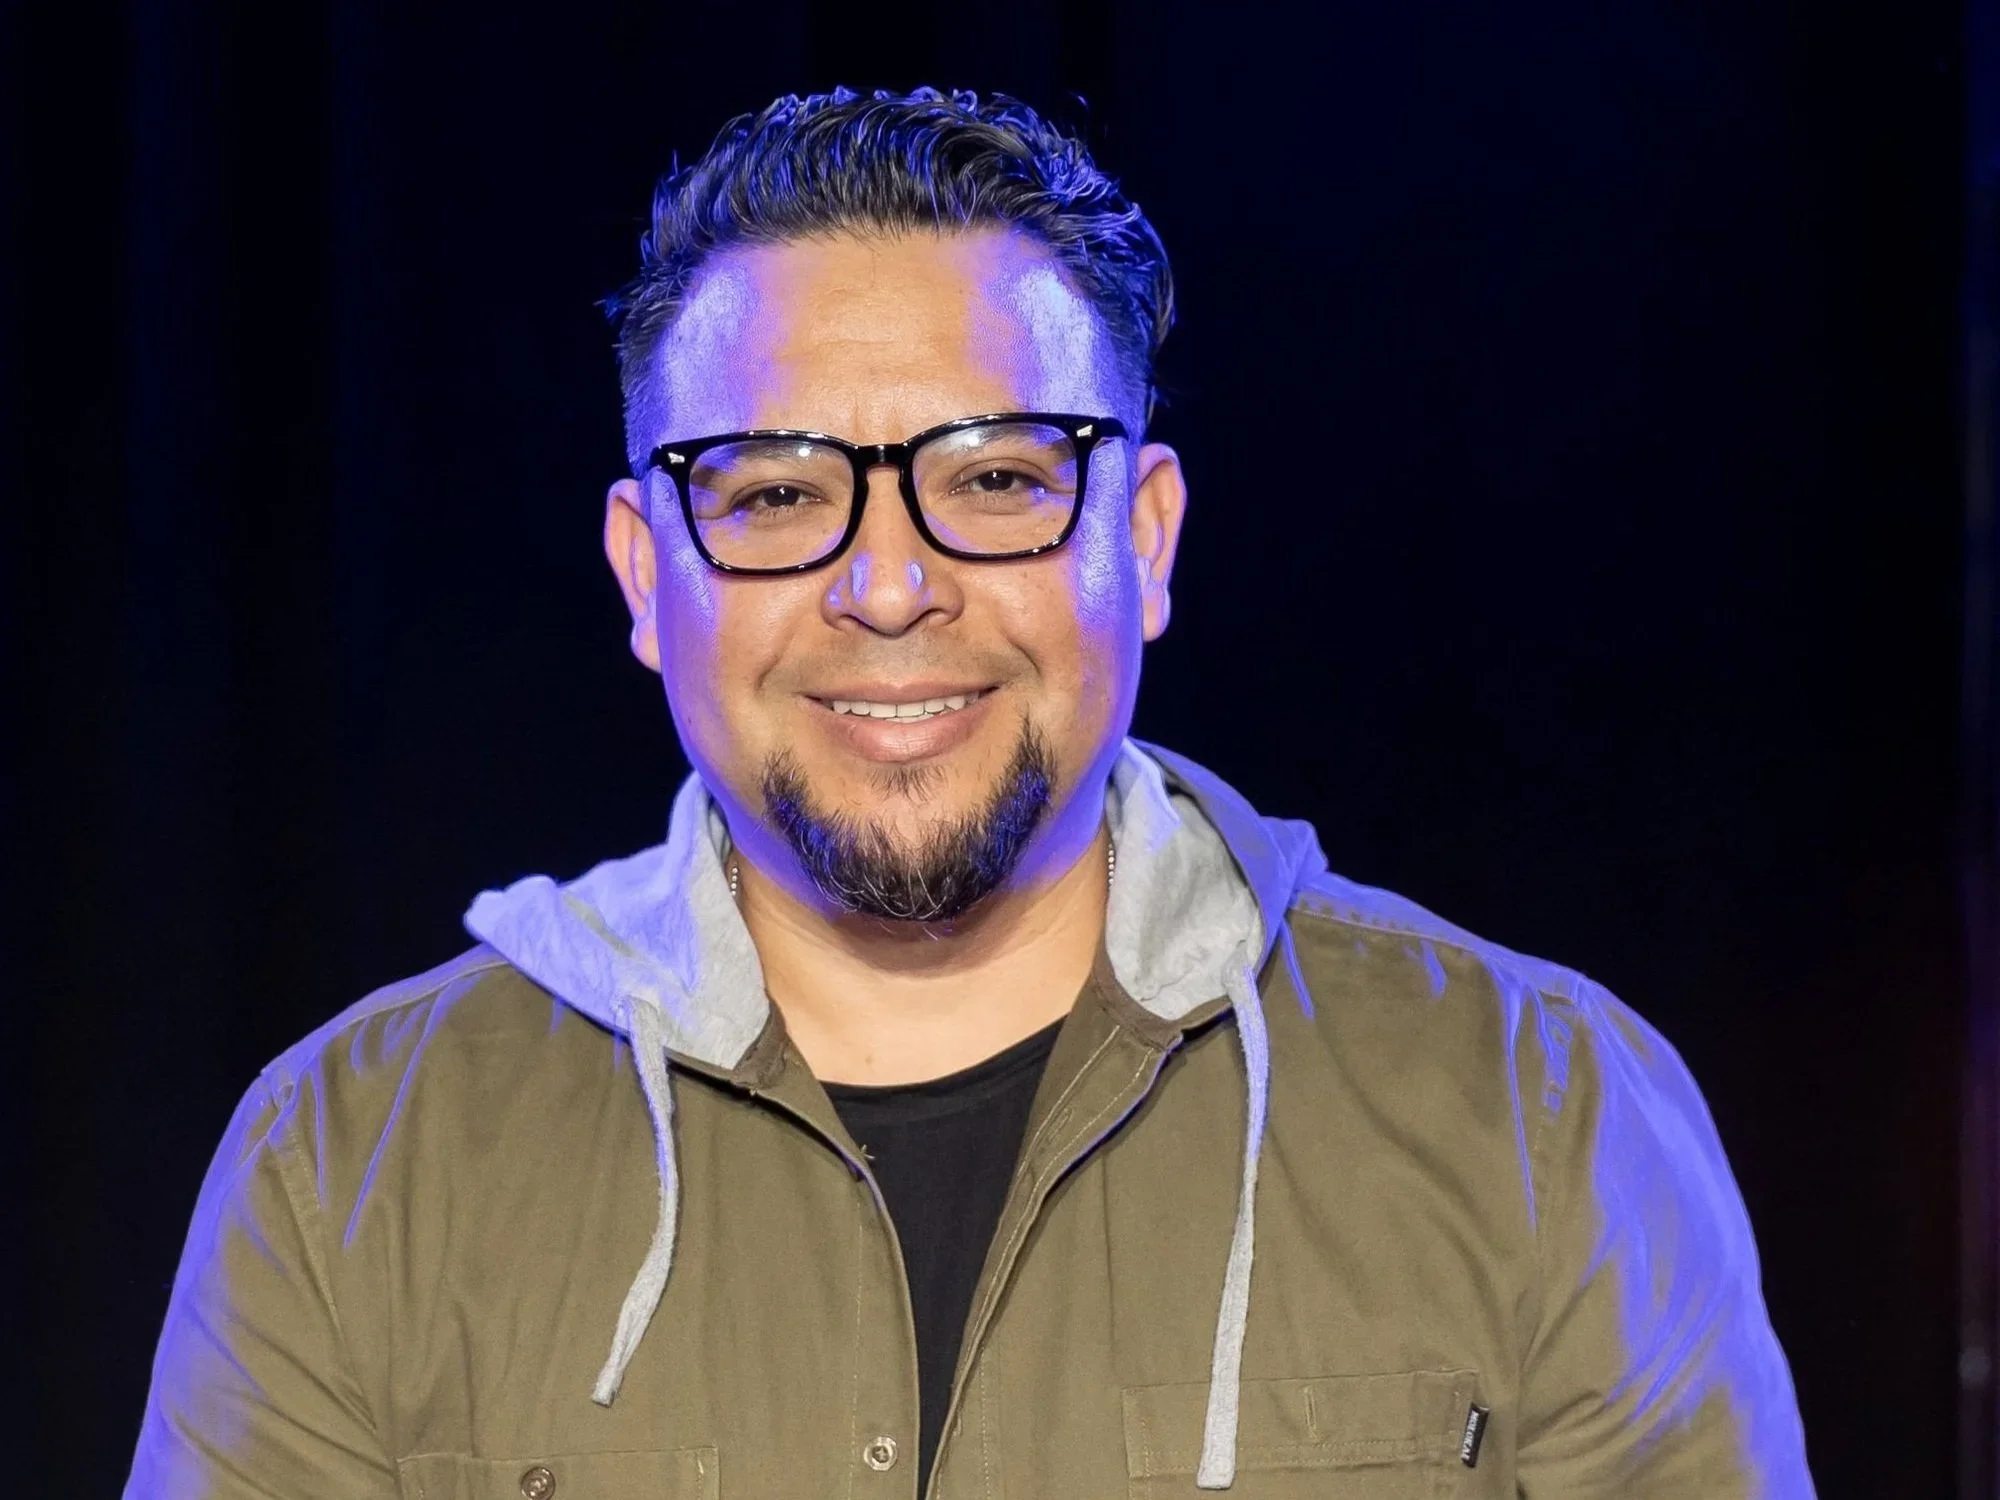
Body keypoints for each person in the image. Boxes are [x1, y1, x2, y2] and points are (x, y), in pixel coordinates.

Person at [125, 87, 1815, 1498]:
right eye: (775, 496)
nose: (888, 586)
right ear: (645, 575)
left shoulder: (1543, 1114)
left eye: (997, 478)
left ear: (1145, 538)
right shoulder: (350, 1165)